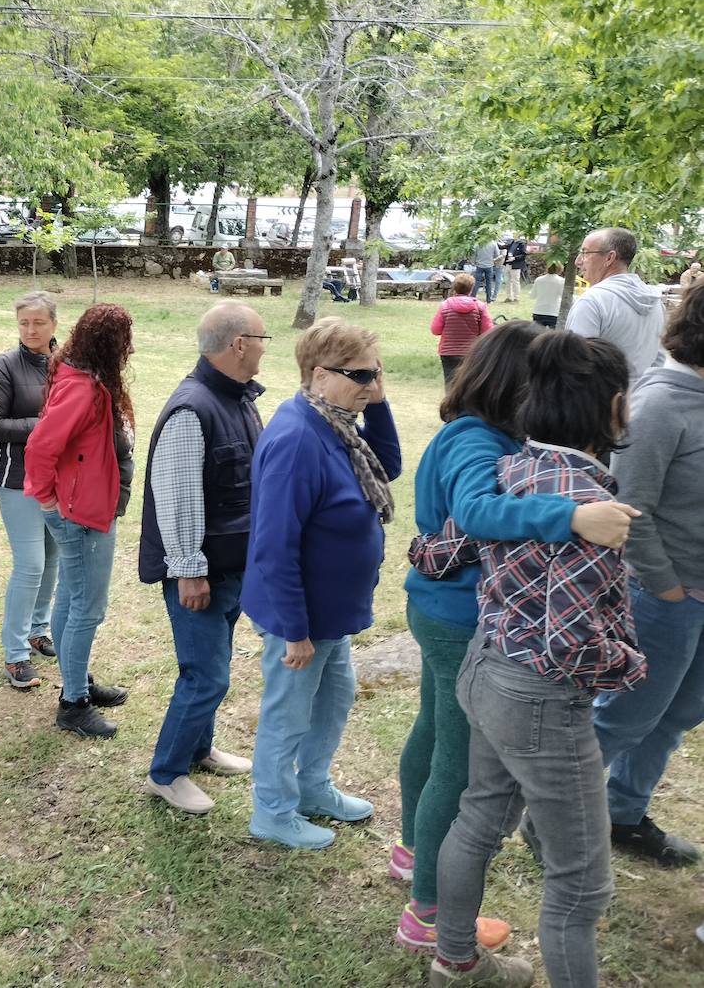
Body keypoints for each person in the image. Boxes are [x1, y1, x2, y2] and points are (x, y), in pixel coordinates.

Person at [396, 322, 636, 954]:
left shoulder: (481, 438)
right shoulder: (479, 444)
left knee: (433, 733)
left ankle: (413, 853)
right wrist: (573, 515)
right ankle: (427, 908)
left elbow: (453, 531)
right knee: (456, 764)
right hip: (459, 620)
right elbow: (476, 515)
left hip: (444, 611)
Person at [243, 317, 401, 849]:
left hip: (334, 612)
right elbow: (273, 544)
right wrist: (294, 630)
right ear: (317, 375)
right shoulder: (297, 437)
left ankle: (312, 788)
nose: (367, 384)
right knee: (287, 714)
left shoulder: (336, 422)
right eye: (357, 375)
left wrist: (377, 400)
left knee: (334, 700)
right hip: (303, 617)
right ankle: (272, 809)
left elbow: (391, 466)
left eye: (373, 373)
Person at [593, 282, 704, 866]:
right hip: (667, 594)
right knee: (624, 718)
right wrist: (667, 587)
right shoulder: (661, 403)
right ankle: (551, 818)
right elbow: (629, 509)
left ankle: (622, 814)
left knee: (680, 713)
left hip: (697, 594)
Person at [142, 303, 266, 814]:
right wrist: (189, 569)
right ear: (238, 344)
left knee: (212, 664)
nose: (263, 346)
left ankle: (200, 749)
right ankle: (166, 773)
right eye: (261, 337)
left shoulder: (237, 399)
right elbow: (177, 498)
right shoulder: (192, 409)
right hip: (200, 572)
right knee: (206, 674)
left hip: (232, 565)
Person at [24, 303, 136, 737]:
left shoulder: (79, 374)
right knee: (88, 607)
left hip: (84, 507)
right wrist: (49, 498)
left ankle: (77, 679)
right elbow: (40, 447)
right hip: (80, 513)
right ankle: (73, 703)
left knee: (71, 598)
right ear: (111, 344)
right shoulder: (83, 386)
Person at [0, 292, 60, 690]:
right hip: (17, 480)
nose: (30, 330)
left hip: (60, 480)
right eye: (23, 323)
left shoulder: (66, 364)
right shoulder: (4, 365)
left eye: (38, 323)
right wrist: (47, 426)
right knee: (30, 564)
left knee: (51, 559)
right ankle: (15, 654)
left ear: (53, 325)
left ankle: (38, 628)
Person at [567, 227, 665, 381]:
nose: (578, 261)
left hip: (599, 401)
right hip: (639, 399)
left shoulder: (592, 302)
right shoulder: (656, 303)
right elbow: (658, 360)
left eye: (585, 253)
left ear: (609, 258)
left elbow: (576, 363)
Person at [430, 272, 493, 384]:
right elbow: (488, 331)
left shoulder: (445, 305)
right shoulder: (480, 306)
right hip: (472, 352)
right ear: (471, 289)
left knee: (450, 383)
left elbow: (435, 330)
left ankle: (451, 401)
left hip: (448, 352)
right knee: (469, 383)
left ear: (454, 288)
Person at [530, 262, 565, 329]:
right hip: (554, 312)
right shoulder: (561, 281)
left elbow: (532, 295)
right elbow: (563, 296)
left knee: (537, 335)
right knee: (553, 336)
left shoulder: (539, 280)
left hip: (538, 311)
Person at [472, 239, 500, 304]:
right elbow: (497, 254)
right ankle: (489, 300)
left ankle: (472, 298)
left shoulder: (478, 243)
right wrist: (492, 259)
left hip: (479, 265)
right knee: (489, 283)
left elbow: (474, 254)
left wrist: (474, 262)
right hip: (489, 266)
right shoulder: (493, 243)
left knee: (476, 282)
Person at [501, 232, 527, 303]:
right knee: (508, 281)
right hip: (508, 264)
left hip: (515, 265)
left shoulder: (522, 243)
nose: (514, 235)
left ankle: (516, 298)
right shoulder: (511, 242)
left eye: (515, 234)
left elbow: (524, 255)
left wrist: (515, 258)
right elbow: (502, 247)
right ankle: (508, 297)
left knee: (515, 281)